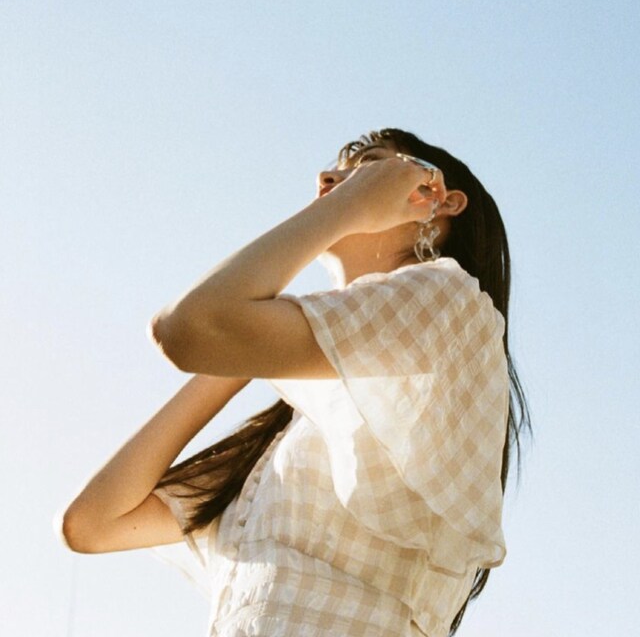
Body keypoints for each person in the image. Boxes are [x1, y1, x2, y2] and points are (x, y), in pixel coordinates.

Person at [57, 128, 530, 637]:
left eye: (367, 165)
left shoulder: (450, 303)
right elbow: (93, 523)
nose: (328, 178)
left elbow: (186, 326)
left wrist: (345, 208)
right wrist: (242, 353)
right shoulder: (290, 434)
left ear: (440, 201)